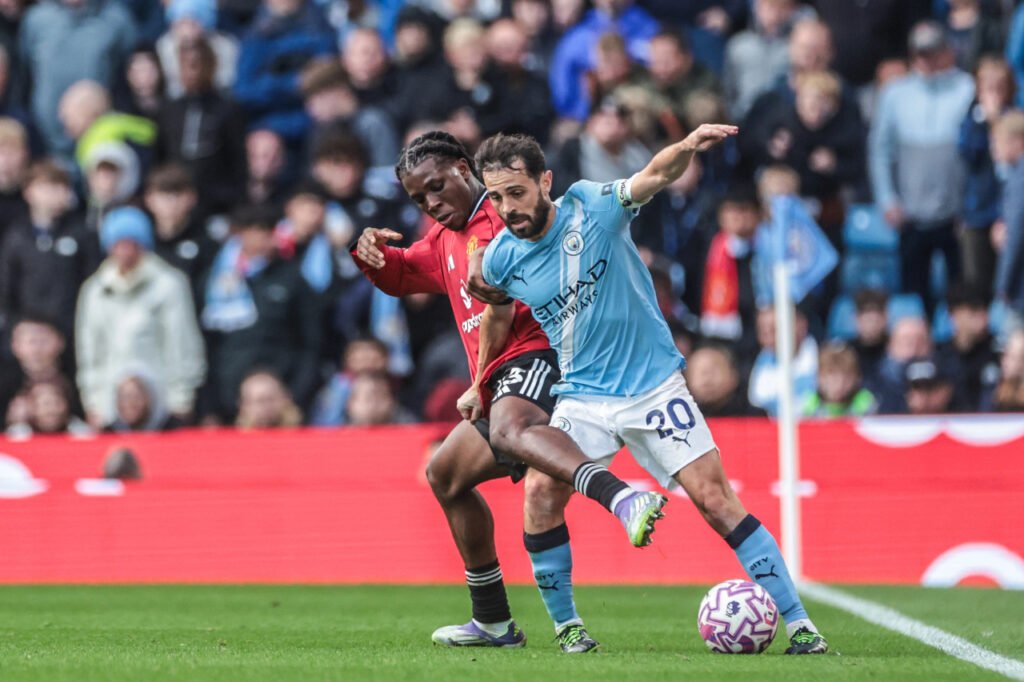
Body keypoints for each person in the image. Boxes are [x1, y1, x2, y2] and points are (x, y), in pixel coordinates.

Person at [468, 125, 828, 654]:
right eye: (496, 197)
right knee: (541, 495)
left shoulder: (591, 206)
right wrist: (480, 381)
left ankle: (801, 626)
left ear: (545, 181)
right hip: (583, 396)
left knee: (714, 499)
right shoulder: (502, 256)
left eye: (516, 192)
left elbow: (653, 175)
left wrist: (684, 148)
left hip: (654, 387)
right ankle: (569, 629)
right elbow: (496, 314)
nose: (507, 207)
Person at [352, 131, 666, 653]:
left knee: (509, 431)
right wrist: (370, 255)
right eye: (417, 199)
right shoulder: (443, 239)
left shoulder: (508, 212)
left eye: (436, 187)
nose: (430, 203)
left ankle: (621, 497)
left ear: (462, 167)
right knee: (446, 475)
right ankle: (494, 622)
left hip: (543, 353)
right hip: (499, 375)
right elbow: (406, 276)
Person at [868, 21, 975, 317]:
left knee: (962, 289)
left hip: (955, 212)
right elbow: (880, 150)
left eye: (932, 52)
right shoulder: (896, 93)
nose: (926, 60)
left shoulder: (966, 89)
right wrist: (887, 198)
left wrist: (968, 206)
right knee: (913, 292)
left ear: (946, 51)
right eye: (920, 53)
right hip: (911, 213)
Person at [76, 206, 206, 428]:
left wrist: (181, 398)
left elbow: (181, 343)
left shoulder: (169, 284)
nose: (125, 250)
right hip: (111, 403)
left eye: (132, 242)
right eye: (118, 243)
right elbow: (90, 349)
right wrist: (94, 401)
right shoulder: (95, 289)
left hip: (162, 402)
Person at [992, 109, 1024, 335]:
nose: (993, 149)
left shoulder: (1019, 178)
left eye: (996, 142)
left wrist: (1003, 284)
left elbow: (1015, 234)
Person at [801, 343, 878, 418]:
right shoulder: (810, 404)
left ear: (857, 378)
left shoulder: (865, 403)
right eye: (832, 377)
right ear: (819, 377)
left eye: (846, 377)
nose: (840, 384)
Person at [235, 369, 303, 428]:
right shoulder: (233, 440)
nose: (266, 406)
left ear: (286, 399)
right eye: (260, 401)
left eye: (271, 399)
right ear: (243, 405)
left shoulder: (307, 435)